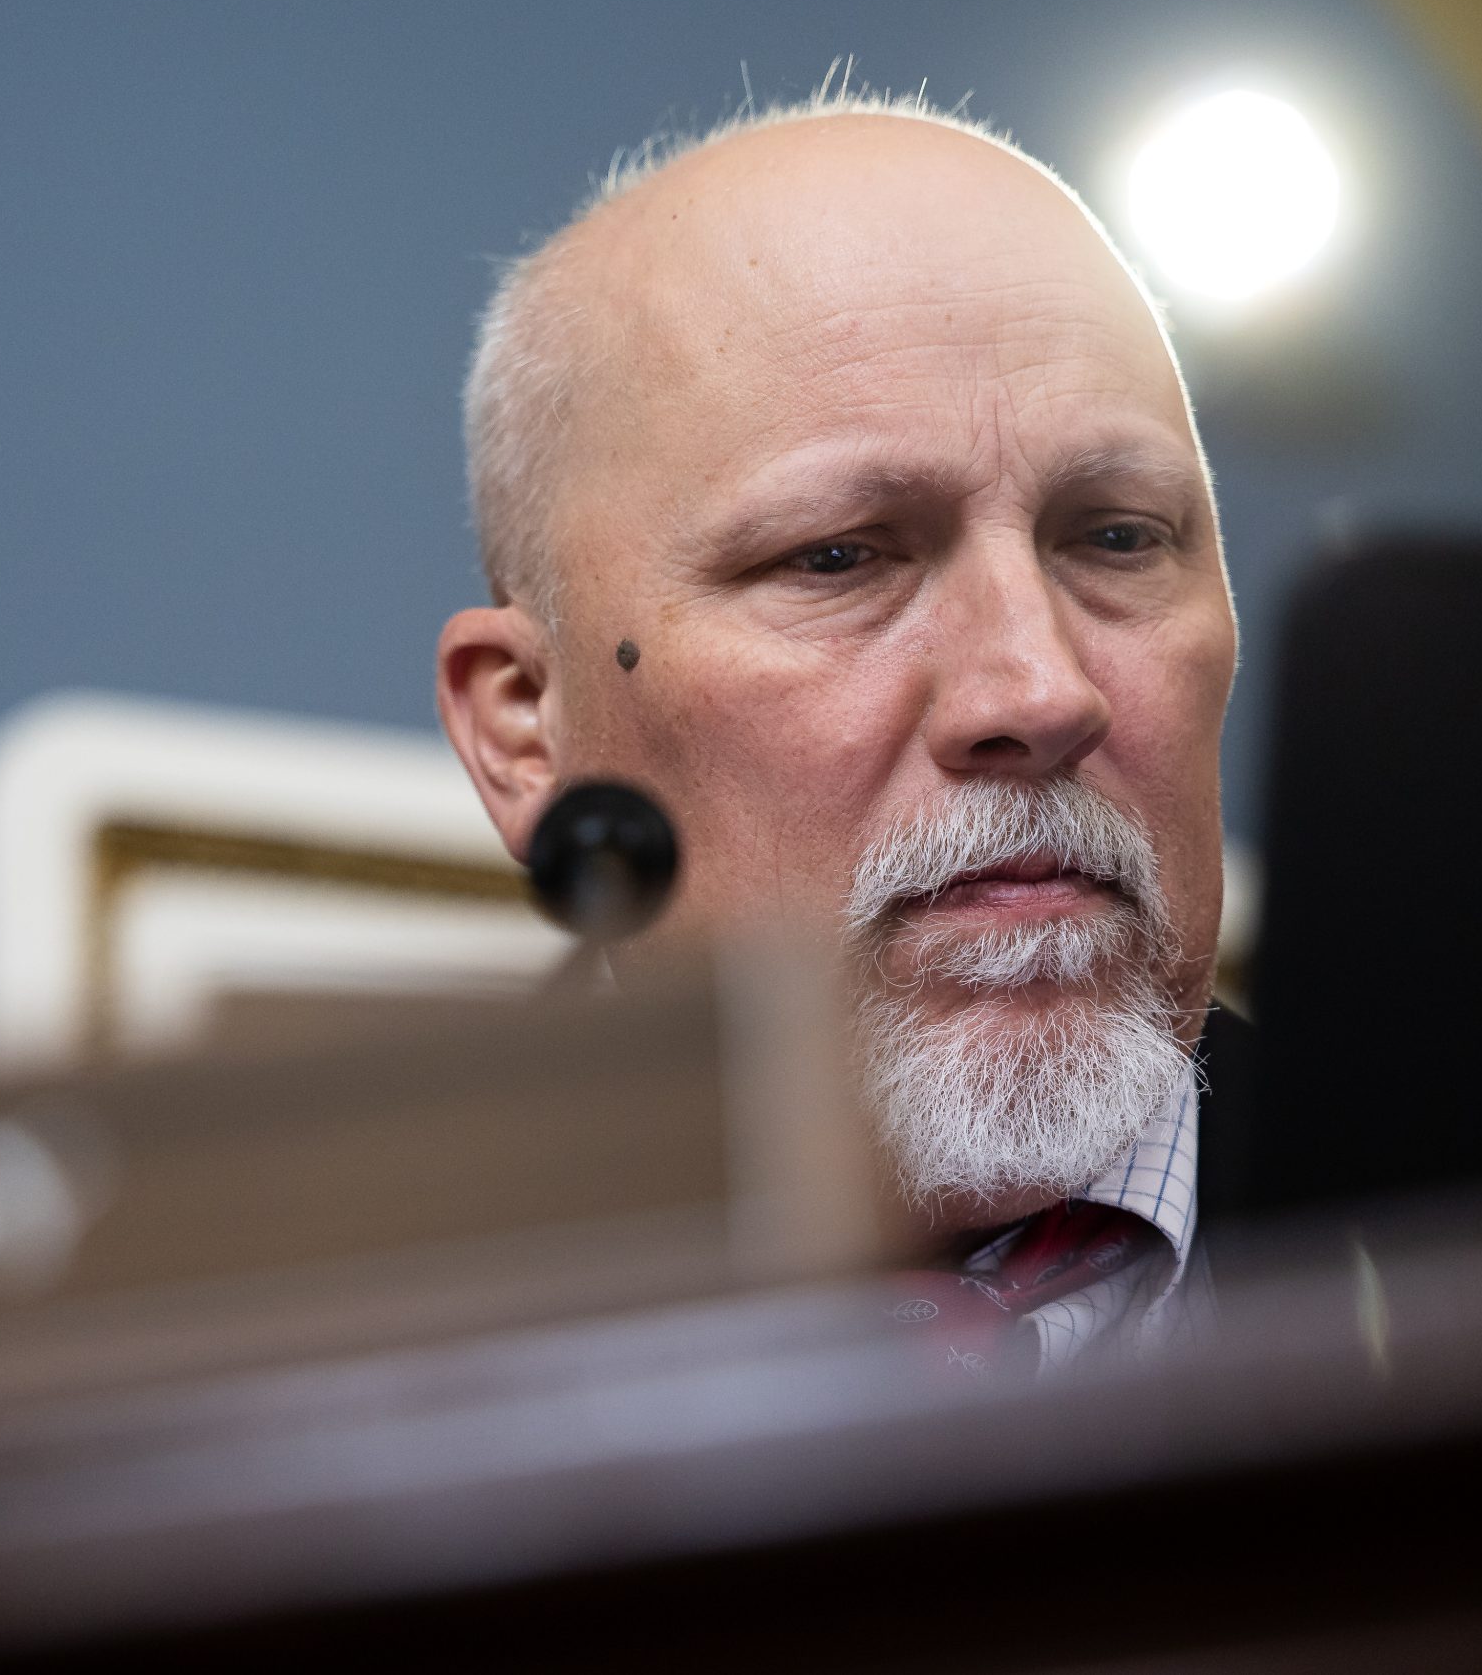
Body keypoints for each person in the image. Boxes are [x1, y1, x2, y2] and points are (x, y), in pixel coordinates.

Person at [437, 89, 1243, 1370]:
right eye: (837, 556)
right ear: (527, 726)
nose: (1041, 692)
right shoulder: (258, 1344)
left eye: (1116, 536)